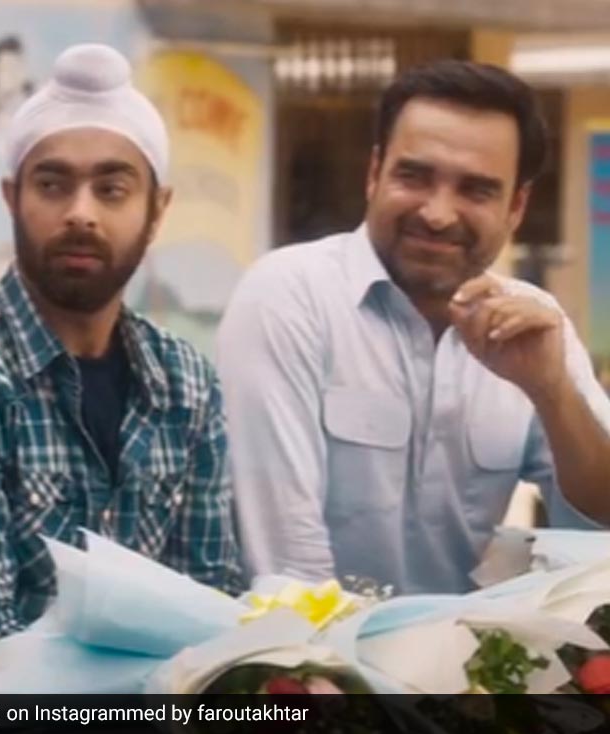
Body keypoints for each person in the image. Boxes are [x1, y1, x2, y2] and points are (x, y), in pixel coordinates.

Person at [0, 43, 242, 686]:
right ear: (12, 198)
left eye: (112, 189)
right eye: (53, 185)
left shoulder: (187, 383)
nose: (80, 212)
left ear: (158, 210)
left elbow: (214, 606)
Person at [218, 60, 610, 595]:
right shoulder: (290, 296)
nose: (438, 214)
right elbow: (288, 567)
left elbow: (600, 529)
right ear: (374, 173)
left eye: (476, 190)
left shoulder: (532, 322)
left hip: (467, 648)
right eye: (414, 177)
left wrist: (551, 392)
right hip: (307, 643)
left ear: (516, 206)